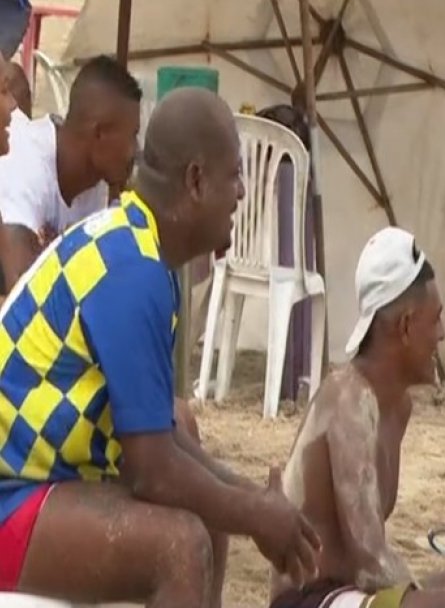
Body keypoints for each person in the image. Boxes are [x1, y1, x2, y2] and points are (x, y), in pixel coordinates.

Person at [0, 88, 320, 606]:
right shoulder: (133, 273)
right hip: (9, 497)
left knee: (200, 486)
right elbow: (151, 470)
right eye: (235, 175)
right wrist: (256, 514)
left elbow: (164, 438)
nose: (241, 193)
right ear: (195, 181)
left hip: (35, 481)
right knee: (179, 546)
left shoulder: (138, 246)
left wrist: (252, 500)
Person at [271, 228, 445, 608]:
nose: (442, 335)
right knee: (442, 605)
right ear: (406, 326)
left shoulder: (396, 406)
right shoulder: (349, 400)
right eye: (436, 320)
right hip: (307, 598)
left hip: (348, 591)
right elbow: (370, 561)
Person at [0, 55, 141, 288]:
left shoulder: (99, 186)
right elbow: (21, 291)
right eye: (132, 135)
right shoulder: (28, 163)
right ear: (99, 134)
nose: (135, 150)